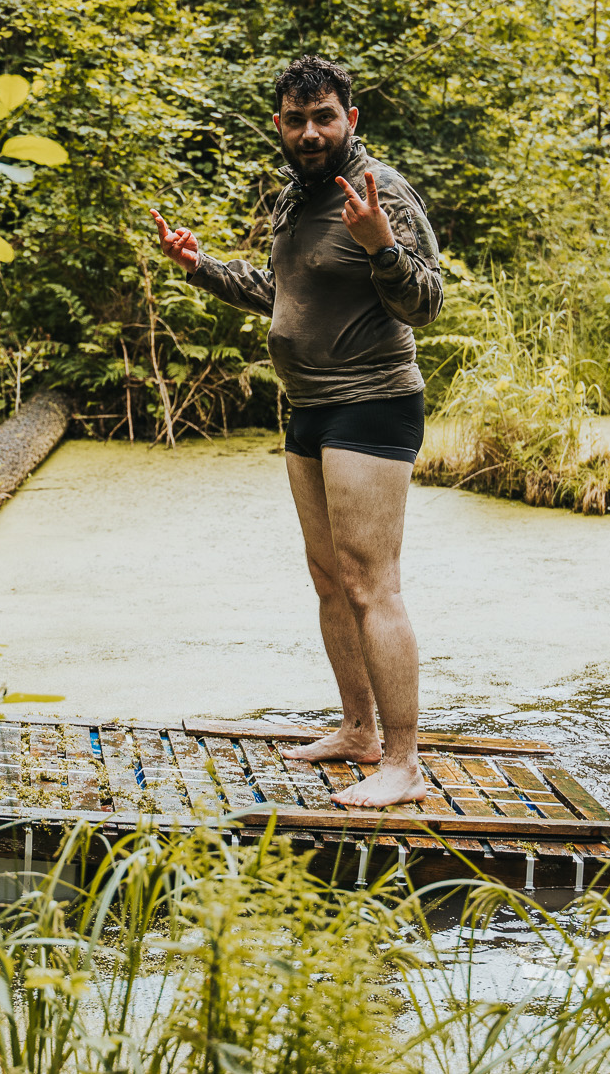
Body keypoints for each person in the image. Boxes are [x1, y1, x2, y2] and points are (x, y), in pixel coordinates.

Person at [151, 55, 442, 809]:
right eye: (295, 119)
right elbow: (279, 292)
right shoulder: (294, 197)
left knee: (372, 583)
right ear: (279, 123)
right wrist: (199, 265)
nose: (310, 132)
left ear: (352, 118)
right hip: (307, 405)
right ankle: (358, 731)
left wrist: (382, 244)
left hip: (372, 402)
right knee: (328, 577)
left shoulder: (382, 192)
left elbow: (427, 302)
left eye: (324, 117)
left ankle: (404, 764)